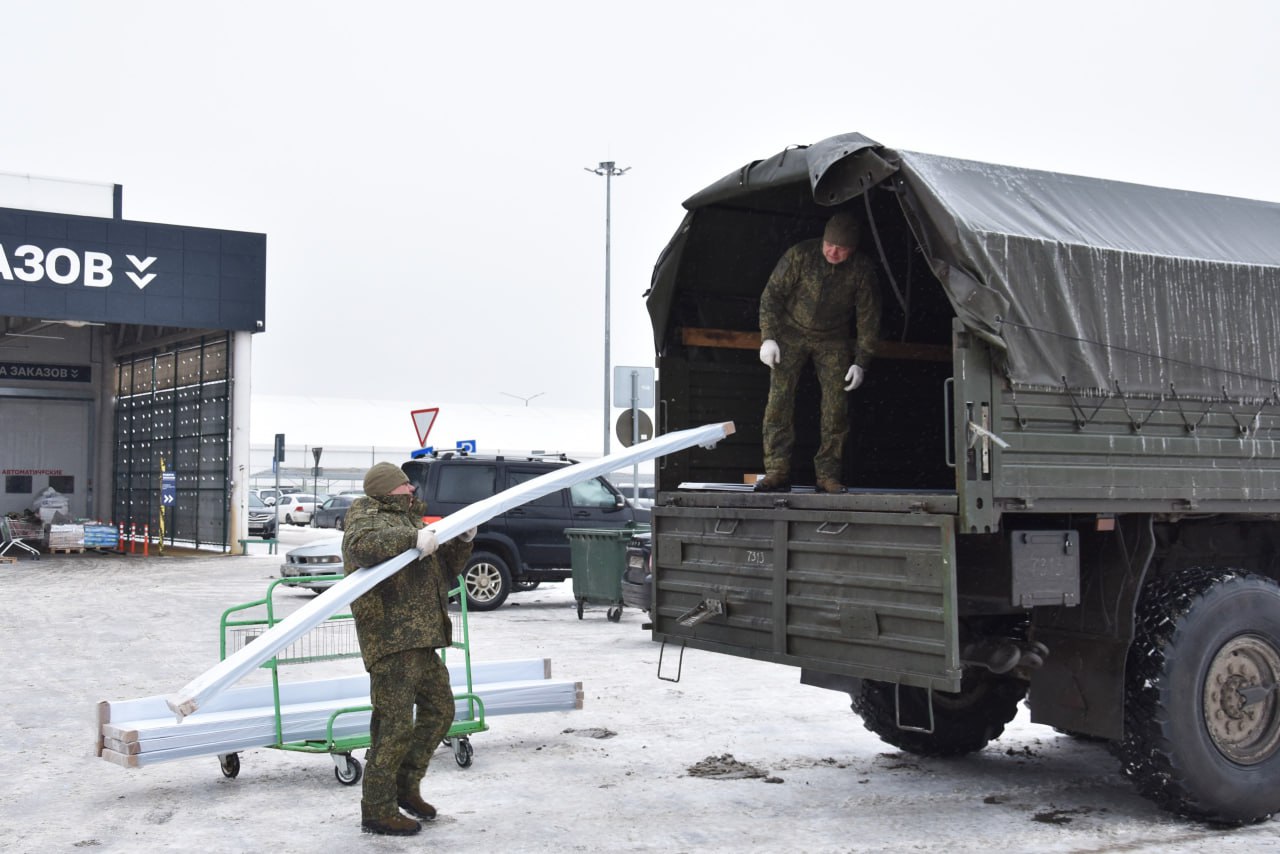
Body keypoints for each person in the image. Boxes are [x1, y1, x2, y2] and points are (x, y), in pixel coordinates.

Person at [341, 462, 476, 836]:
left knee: (440, 710)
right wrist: (410, 540)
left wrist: (462, 542)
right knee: (393, 726)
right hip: (391, 638)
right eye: (405, 486)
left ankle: (405, 786)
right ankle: (377, 809)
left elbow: (443, 573)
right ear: (388, 489)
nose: (412, 490)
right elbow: (362, 548)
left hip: (421, 636)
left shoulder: (411, 521)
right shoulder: (366, 516)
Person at [756, 211, 882, 494]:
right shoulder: (800, 255)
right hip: (789, 334)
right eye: (830, 244)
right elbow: (771, 296)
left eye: (842, 248)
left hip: (833, 340)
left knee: (836, 408)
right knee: (779, 401)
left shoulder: (862, 270)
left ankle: (827, 475)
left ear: (853, 249)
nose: (834, 252)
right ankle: (776, 471)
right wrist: (769, 338)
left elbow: (868, 318)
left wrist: (861, 362)